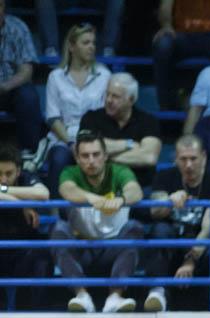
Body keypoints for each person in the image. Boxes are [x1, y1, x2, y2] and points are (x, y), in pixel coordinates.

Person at [54, 131, 143, 313]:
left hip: (113, 248)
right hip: (83, 249)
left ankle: (115, 297)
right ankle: (82, 296)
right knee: (58, 229)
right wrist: (92, 198)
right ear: (77, 158)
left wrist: (121, 200)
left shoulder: (120, 171)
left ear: (105, 156)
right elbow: (67, 190)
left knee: (135, 228)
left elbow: (135, 191)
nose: (91, 161)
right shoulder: (69, 173)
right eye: (85, 156)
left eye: (96, 155)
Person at [144, 135, 210, 313]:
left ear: (203, 157)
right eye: (183, 159)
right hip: (171, 246)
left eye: (193, 158)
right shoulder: (165, 176)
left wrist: (190, 261)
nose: (188, 165)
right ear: (176, 158)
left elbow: (208, 229)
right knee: (159, 230)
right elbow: (154, 211)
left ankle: (209, 305)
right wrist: (169, 201)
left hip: (199, 246)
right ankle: (158, 292)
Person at [41, 23, 108, 190]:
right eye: (86, 43)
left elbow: (106, 115)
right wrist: (72, 144)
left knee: (96, 157)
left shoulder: (104, 75)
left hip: (94, 137)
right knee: (59, 159)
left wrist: (87, 144)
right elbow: (53, 118)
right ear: (71, 46)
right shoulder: (56, 77)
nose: (91, 47)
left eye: (93, 43)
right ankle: (55, 205)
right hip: (64, 139)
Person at [80, 73, 162, 191]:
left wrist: (105, 158)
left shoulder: (148, 121)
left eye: (115, 96)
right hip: (99, 187)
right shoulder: (91, 118)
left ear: (131, 100)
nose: (108, 100)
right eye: (107, 94)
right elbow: (86, 149)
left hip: (141, 187)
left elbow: (149, 157)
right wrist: (128, 144)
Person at [153, 0, 210, 111]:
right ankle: (167, 107)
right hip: (181, 35)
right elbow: (166, 5)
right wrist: (167, 25)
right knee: (163, 44)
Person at [0, 142, 49, 306]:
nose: (3, 179)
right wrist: (21, 204)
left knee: (41, 257)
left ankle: (31, 311)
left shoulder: (26, 177)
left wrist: (3, 190)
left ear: (19, 171)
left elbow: (43, 194)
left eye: (9, 173)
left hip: (22, 252)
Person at [0, 0, 43, 155]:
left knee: (28, 96)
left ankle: (29, 152)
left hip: (10, 90)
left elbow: (26, 71)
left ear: (4, 7)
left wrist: (5, 86)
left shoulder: (17, 28)